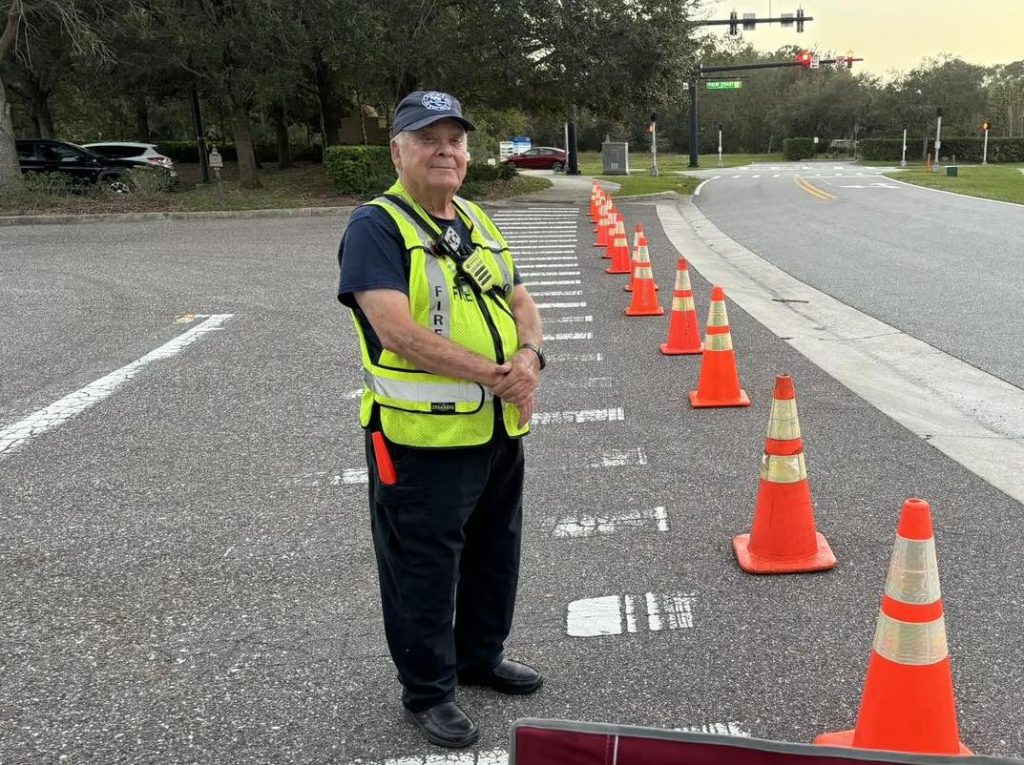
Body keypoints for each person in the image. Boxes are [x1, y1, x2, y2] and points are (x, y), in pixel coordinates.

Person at [336, 90, 546, 749]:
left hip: (496, 429)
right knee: (423, 569)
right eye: (428, 138)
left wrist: (532, 357)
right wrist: (495, 373)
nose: (445, 149)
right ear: (398, 151)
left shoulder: (477, 219)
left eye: (455, 138)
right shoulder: (377, 226)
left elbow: (520, 300)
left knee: (493, 552)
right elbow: (395, 331)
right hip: (418, 438)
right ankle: (428, 690)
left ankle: (479, 656)